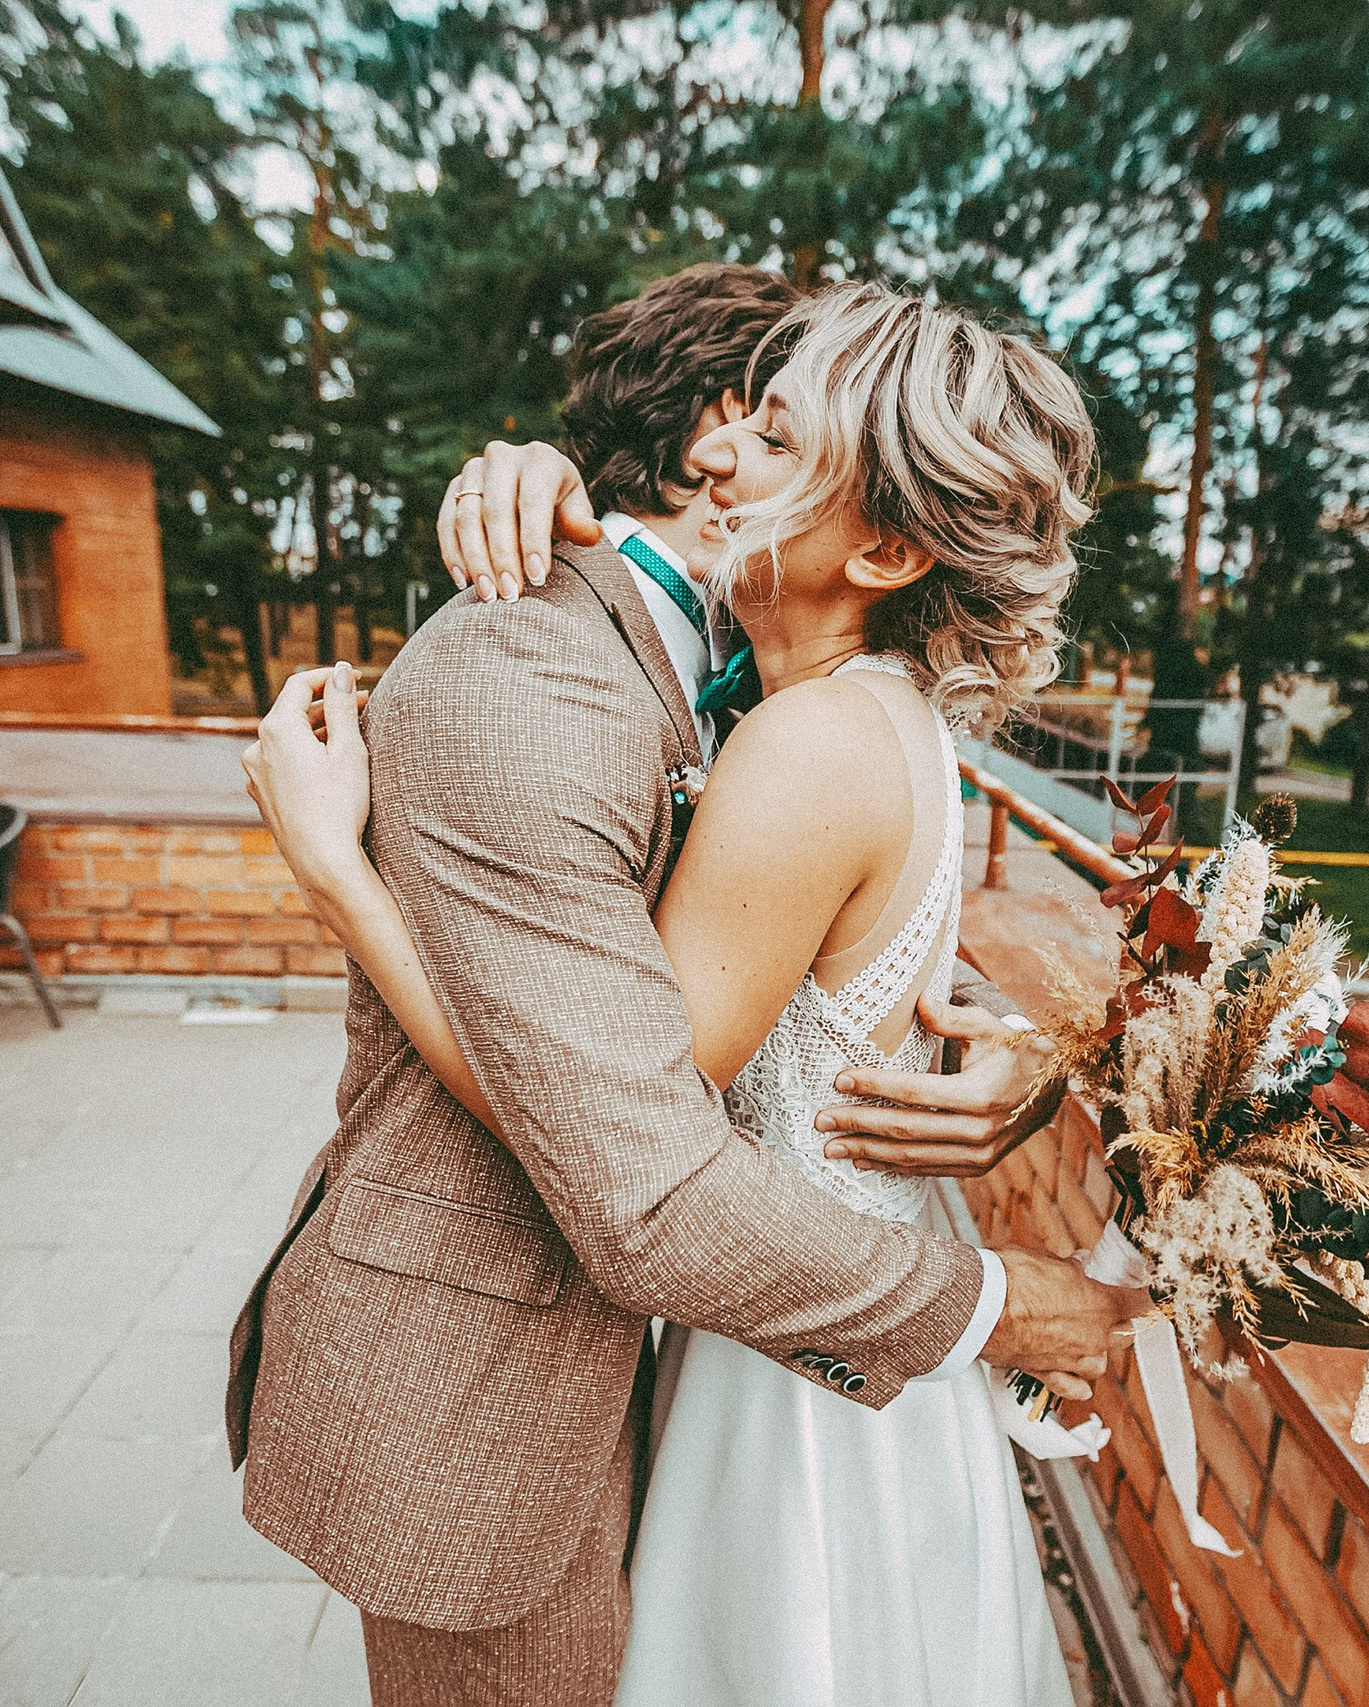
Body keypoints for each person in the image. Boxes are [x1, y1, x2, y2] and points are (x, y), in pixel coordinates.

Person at [230, 269, 1139, 1707]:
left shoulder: (803, 730)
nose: (726, 464)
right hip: (548, 1367)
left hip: (772, 1345)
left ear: (890, 544)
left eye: (776, 436)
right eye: (738, 421)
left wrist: (341, 878)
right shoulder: (687, 682)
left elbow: (639, 1147)